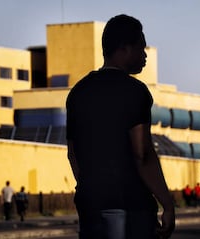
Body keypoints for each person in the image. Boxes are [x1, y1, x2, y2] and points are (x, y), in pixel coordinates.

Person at [66, 14, 175, 239]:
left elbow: (73, 153)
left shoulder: (78, 92)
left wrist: (91, 186)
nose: (145, 56)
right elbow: (142, 154)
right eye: (141, 48)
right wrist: (167, 203)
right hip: (130, 205)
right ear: (125, 49)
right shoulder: (135, 91)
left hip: (90, 205)